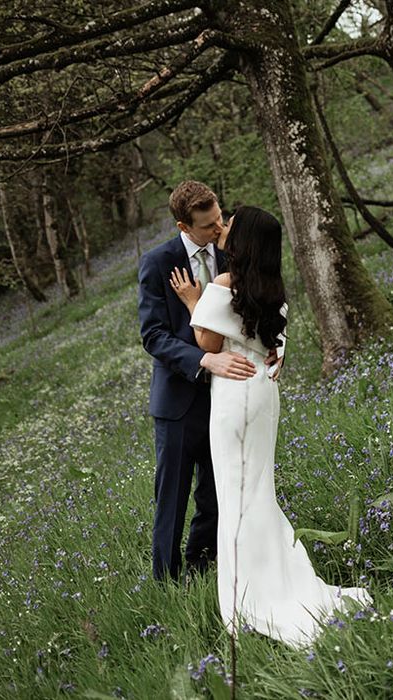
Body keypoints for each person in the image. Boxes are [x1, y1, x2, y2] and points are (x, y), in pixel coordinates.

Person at [170, 205, 372, 648]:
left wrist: (192, 300)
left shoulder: (225, 285)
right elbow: (272, 349)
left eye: (230, 226)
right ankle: (278, 577)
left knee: (237, 498)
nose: (223, 228)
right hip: (263, 393)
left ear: (242, 243)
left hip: (235, 398)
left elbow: (206, 341)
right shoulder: (272, 289)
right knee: (259, 490)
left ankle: (250, 602)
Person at [138, 181, 278, 583]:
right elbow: (154, 336)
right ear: (184, 225)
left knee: (216, 493)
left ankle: (201, 569)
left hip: (229, 398)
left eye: (220, 218)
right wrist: (204, 359)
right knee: (173, 497)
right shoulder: (158, 262)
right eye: (208, 226)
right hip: (180, 401)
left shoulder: (234, 250)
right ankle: (165, 581)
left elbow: (261, 300)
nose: (219, 230)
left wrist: (276, 345)